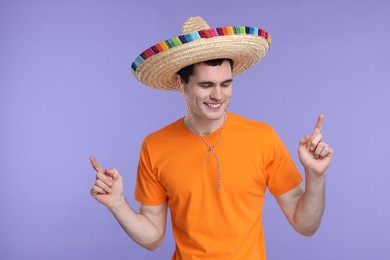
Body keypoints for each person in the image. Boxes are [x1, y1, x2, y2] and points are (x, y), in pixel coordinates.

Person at [90, 17, 333, 259]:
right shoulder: (155, 146)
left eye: (226, 84)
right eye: (206, 85)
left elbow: (305, 225)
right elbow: (153, 237)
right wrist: (118, 204)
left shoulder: (263, 138)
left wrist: (315, 176)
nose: (218, 95)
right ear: (180, 83)